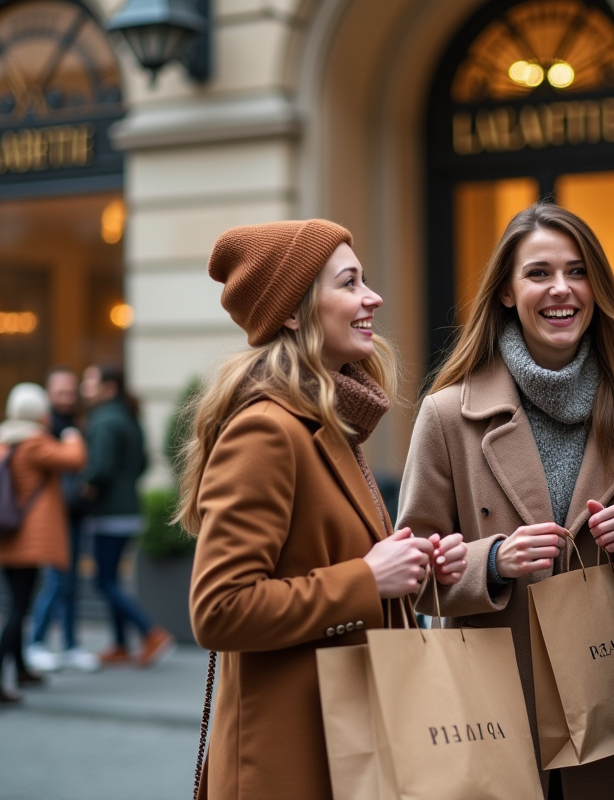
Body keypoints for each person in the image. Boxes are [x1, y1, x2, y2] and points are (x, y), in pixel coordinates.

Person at [398, 204, 614, 799]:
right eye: (539, 273)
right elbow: (410, 570)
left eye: (577, 272)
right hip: (494, 710)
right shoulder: (448, 415)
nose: (561, 290)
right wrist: (491, 561)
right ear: (505, 292)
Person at [184, 220, 445, 800]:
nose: (371, 297)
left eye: (365, 280)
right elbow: (219, 610)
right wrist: (368, 578)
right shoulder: (267, 430)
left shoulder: (328, 423)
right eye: (349, 283)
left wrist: (411, 565)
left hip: (344, 742)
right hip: (289, 761)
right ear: (295, 312)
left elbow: (338, 559)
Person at [0, 383, 86, 704]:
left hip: (4, 536)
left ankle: (21, 669)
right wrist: (72, 436)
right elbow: (74, 459)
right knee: (18, 608)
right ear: (38, 411)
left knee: (17, 602)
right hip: (27, 541)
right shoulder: (34, 442)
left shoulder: (1, 440)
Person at [81, 363, 172, 667]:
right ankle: (120, 644)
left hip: (109, 512)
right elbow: (143, 463)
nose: (85, 388)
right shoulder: (128, 417)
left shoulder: (104, 420)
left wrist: (84, 487)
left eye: (90, 382)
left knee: (103, 580)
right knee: (112, 579)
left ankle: (152, 633)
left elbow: (100, 468)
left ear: (109, 387)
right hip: (128, 508)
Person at [26, 365, 99, 672]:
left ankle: (69, 645)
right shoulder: (42, 429)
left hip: (75, 513)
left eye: (70, 391)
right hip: (51, 518)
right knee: (56, 580)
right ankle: (36, 642)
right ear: (48, 395)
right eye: (60, 392)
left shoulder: (80, 423)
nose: (67, 397)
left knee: (70, 582)